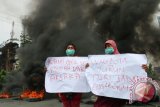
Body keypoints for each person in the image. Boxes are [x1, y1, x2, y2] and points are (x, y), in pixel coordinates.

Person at [86, 39, 148, 107]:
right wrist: (89, 67)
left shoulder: (124, 60)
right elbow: (95, 71)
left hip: (118, 94)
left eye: (109, 46)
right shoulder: (102, 60)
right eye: (106, 47)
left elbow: (132, 70)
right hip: (105, 93)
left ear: (114, 46)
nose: (107, 48)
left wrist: (142, 68)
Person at [58, 43, 82, 107]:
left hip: (76, 91)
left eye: (72, 48)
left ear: (74, 50)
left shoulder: (80, 61)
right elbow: (57, 75)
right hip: (64, 90)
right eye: (68, 48)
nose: (70, 49)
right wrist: (49, 69)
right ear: (66, 50)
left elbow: (84, 72)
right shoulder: (60, 62)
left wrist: (86, 66)